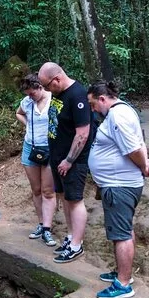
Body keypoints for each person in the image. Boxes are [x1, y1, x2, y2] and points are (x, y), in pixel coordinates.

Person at [87, 81, 149, 298]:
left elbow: (134, 149)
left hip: (119, 185)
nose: (93, 110)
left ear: (102, 99)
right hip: (119, 184)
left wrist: (143, 166)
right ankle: (122, 273)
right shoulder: (123, 111)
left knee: (121, 235)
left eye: (93, 104)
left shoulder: (118, 116)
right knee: (124, 229)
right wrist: (145, 163)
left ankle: (123, 284)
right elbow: (140, 142)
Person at [38, 62, 95, 263]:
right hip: (57, 157)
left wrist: (69, 160)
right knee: (64, 198)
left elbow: (83, 133)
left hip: (73, 161)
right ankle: (71, 238)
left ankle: (77, 245)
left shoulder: (77, 95)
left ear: (57, 79)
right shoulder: (58, 93)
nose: (47, 91)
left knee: (75, 200)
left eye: (47, 86)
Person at [15, 73, 57, 247]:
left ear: (39, 87)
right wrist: (28, 125)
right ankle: (41, 223)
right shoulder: (27, 102)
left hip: (49, 148)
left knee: (48, 191)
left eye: (32, 93)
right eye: (27, 94)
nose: (30, 97)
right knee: (36, 189)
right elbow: (18, 113)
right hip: (30, 148)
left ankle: (47, 228)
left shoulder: (54, 100)